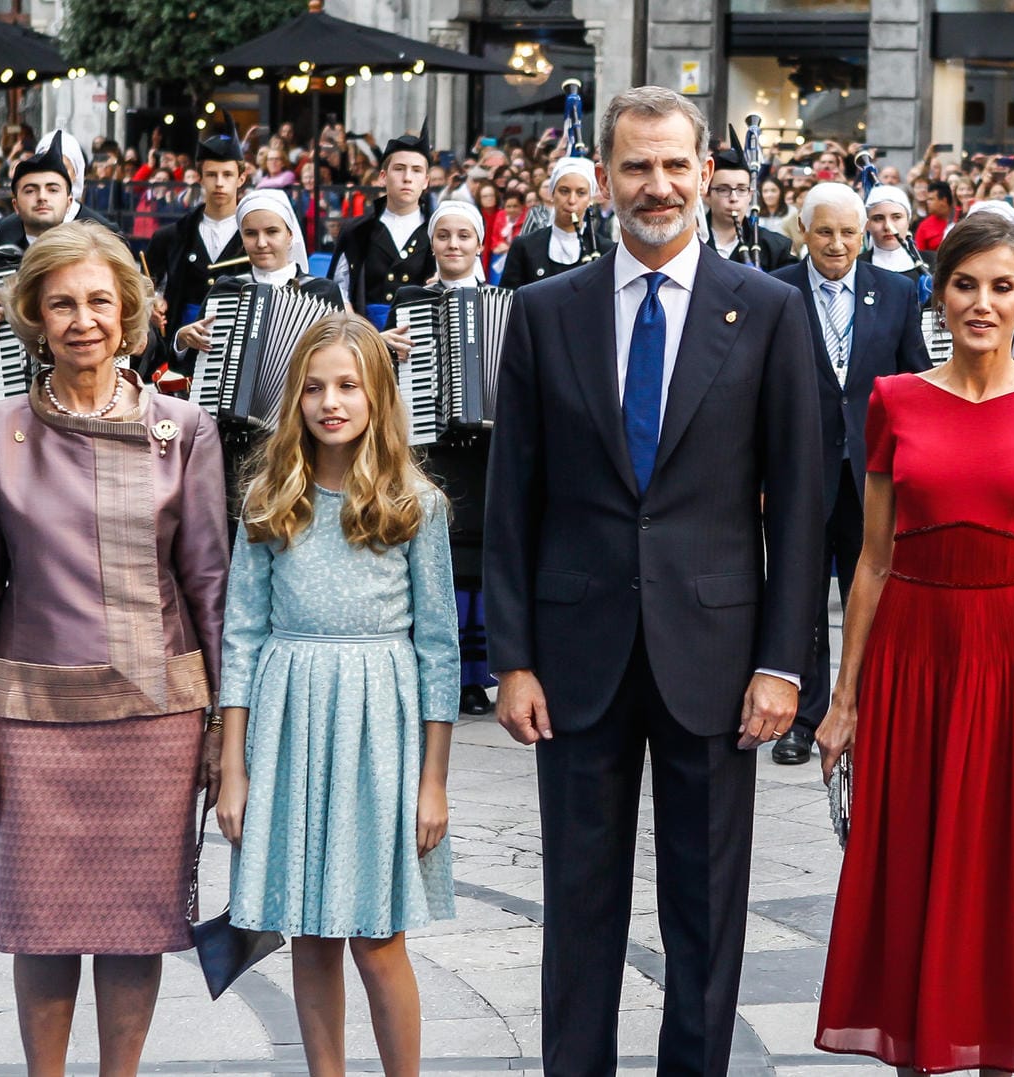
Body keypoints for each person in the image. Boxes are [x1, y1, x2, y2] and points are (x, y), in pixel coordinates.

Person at [482, 86, 824, 1075]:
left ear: (707, 170)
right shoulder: (547, 313)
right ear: (602, 178)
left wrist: (783, 666)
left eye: (676, 165)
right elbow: (513, 505)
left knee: (707, 916)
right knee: (578, 910)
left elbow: (799, 507)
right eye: (637, 166)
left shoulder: (767, 311)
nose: (659, 186)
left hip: (717, 664)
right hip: (575, 658)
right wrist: (512, 659)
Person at [812, 211, 1014, 1072]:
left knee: (998, 878)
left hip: (1011, 656)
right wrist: (844, 701)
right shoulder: (894, 398)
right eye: (966, 284)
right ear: (939, 294)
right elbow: (870, 563)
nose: (982, 302)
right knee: (905, 872)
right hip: (912, 652)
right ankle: (915, 1053)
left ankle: (995, 1056)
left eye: (1002, 286)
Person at [0, 222, 228, 1076]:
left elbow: (212, 588)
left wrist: (225, 728)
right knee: (42, 919)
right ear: (32, 312)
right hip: (31, 723)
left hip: (158, 719)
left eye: (100, 300)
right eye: (61, 302)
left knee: (138, 921)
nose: (83, 320)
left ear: (129, 312)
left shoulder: (184, 430)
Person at [215, 314, 456, 1077]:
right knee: (309, 932)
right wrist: (233, 768)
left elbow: (439, 649)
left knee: (378, 937)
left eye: (348, 385)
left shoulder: (416, 503)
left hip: (379, 728)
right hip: (289, 723)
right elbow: (241, 637)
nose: (331, 401)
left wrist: (433, 781)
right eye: (315, 386)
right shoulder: (266, 498)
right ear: (295, 399)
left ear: (378, 396)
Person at [767, 182, 931, 766]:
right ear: (803, 234)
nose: (837, 244)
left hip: (874, 472)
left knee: (874, 592)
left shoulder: (896, 291)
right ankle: (802, 717)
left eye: (849, 232)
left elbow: (915, 381)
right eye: (825, 231)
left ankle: (863, 707)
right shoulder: (775, 290)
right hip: (799, 469)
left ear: (865, 236)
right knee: (801, 594)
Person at [0, 132, 157, 404]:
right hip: (9, 408)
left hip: (87, 408)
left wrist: (140, 339)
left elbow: (147, 345)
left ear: (70, 201)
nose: (42, 197)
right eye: (31, 190)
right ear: (15, 204)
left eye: (52, 189)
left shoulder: (101, 245)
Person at [392, 200, 505, 716]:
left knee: (482, 564)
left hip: (487, 448)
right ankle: (440, 668)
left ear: (478, 242)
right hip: (433, 443)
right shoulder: (412, 302)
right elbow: (390, 378)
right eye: (444, 236)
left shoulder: (503, 301)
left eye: (463, 235)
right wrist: (387, 349)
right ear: (431, 243)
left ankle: (477, 678)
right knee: (442, 559)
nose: (453, 244)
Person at [174, 189, 347, 518]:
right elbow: (197, 352)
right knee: (232, 517)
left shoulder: (320, 292)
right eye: (251, 234)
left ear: (290, 235)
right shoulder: (227, 289)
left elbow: (339, 356)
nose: (262, 242)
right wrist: (184, 338)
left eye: (272, 232)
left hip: (298, 430)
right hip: (234, 431)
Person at [153, 130, 248, 357]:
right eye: (212, 174)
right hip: (182, 345)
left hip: (239, 343)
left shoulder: (253, 236)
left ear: (241, 179)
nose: (219, 183)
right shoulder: (171, 236)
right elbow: (147, 285)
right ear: (200, 177)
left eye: (227, 175)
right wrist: (153, 301)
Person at [331, 125, 435, 327]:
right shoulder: (357, 230)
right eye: (399, 168)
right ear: (382, 177)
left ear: (426, 181)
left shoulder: (438, 231)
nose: (407, 177)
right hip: (366, 334)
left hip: (422, 337)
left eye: (416, 170)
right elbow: (340, 289)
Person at [0, 130, 122, 250]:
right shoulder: (7, 229)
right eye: (31, 190)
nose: (42, 196)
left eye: (63, 168)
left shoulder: (101, 231)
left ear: (75, 175)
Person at [499, 156, 613, 288]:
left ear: (590, 200)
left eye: (581, 193)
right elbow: (509, 300)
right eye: (564, 191)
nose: (571, 200)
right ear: (552, 194)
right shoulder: (525, 246)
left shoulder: (604, 250)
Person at [703, 140, 794, 270]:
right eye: (723, 189)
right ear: (707, 194)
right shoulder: (689, 242)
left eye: (741, 190)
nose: (733, 198)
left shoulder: (774, 247)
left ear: (750, 195)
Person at [860, 186, 927, 282]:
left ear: (908, 221)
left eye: (896, 217)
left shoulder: (932, 263)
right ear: (867, 224)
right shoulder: (856, 267)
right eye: (878, 218)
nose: (887, 226)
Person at [915, 180, 954, 252]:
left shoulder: (963, 216)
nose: (927, 202)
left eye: (931, 199)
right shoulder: (924, 226)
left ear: (943, 200)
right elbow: (920, 255)